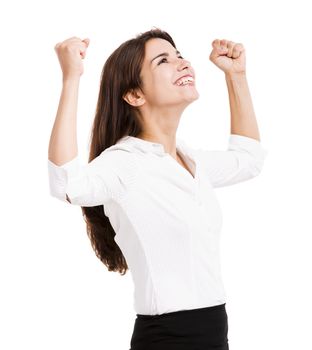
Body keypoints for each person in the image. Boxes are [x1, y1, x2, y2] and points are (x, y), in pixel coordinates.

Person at [47, 27, 268, 350]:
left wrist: (237, 76)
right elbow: (65, 183)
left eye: (179, 55)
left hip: (214, 333)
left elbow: (248, 160)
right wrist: (71, 79)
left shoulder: (190, 160)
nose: (182, 63)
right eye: (163, 60)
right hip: (167, 338)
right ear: (135, 95)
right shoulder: (126, 162)